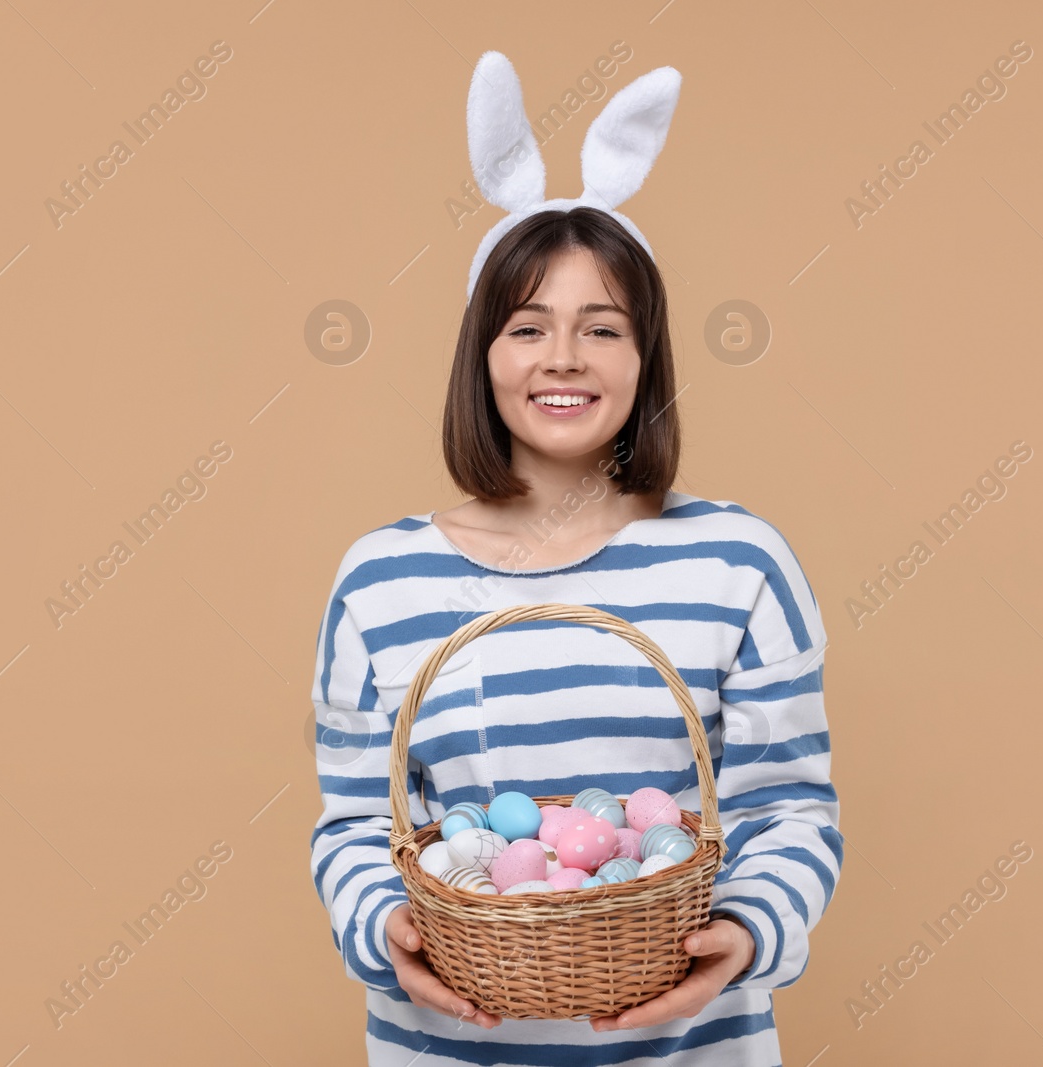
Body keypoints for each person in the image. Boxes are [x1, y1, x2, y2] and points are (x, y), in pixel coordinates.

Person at [307, 204, 843, 1066]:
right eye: (528, 326)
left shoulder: (739, 562)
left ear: (646, 358)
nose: (564, 356)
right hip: (453, 1047)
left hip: (689, 1048)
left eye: (603, 327)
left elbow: (786, 810)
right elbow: (360, 824)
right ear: (483, 355)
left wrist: (744, 931)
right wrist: (386, 927)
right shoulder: (381, 578)